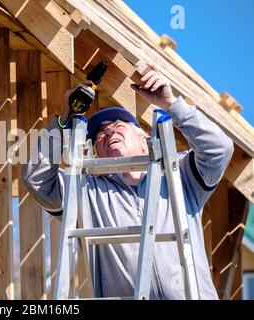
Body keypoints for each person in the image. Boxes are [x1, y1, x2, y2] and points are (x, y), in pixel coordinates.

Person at [21, 63, 234, 299]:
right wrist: (65, 119)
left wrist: (171, 105)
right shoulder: (88, 192)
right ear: (97, 154)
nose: (109, 133)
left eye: (119, 126)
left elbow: (219, 148)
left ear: (144, 138)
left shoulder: (178, 174)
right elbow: (36, 178)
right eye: (100, 135)